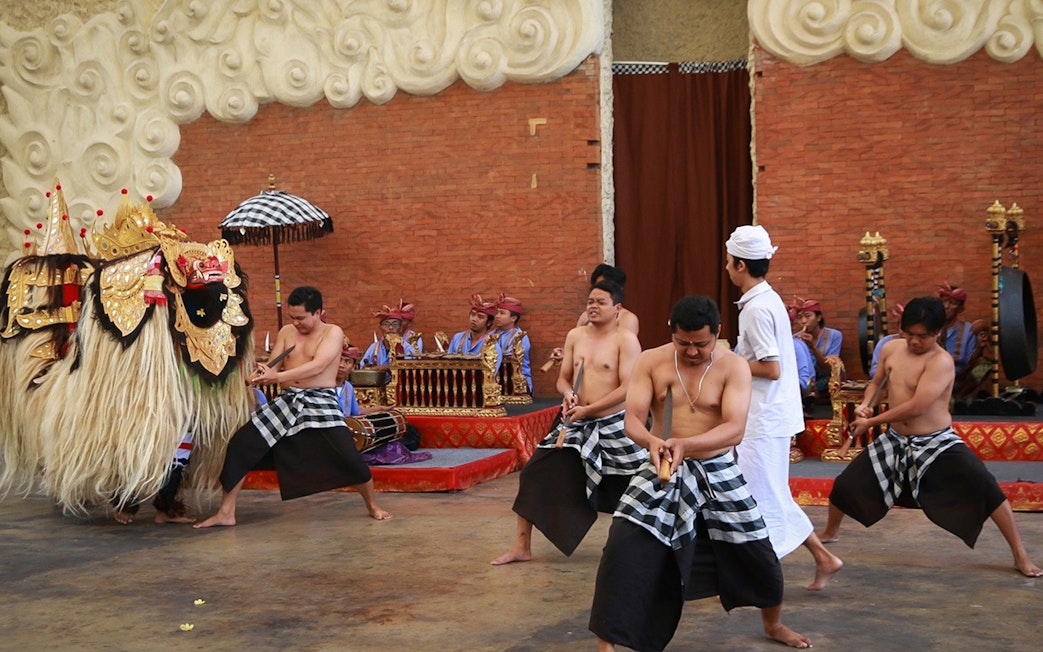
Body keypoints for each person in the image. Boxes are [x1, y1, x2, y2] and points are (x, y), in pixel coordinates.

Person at [589, 295, 811, 651]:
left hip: (715, 467)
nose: (692, 352)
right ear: (671, 333)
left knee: (756, 548)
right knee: (623, 545)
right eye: (683, 343)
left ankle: (774, 624)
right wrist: (650, 441)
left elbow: (735, 428)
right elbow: (632, 418)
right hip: (661, 464)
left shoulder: (734, 366)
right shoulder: (651, 361)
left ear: (718, 333)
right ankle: (607, 642)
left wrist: (688, 446)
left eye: (701, 344)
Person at [816, 297, 1041, 577]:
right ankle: (831, 531)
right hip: (897, 438)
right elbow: (877, 381)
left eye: (922, 336)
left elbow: (917, 406)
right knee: (845, 485)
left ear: (938, 333)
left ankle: (1020, 555)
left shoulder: (941, 362)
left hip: (936, 441)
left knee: (987, 488)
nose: (914, 341)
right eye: (908, 334)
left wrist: (871, 421)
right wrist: (867, 404)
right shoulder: (891, 349)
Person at [195, 286, 391, 527]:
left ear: (318, 312)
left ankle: (372, 504)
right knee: (240, 445)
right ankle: (226, 512)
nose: (296, 323)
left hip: (321, 399)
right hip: (289, 399)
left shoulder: (333, 333)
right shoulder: (287, 332)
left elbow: (318, 366)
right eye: (292, 318)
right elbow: (275, 366)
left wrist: (277, 378)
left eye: (301, 318)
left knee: (348, 455)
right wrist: (262, 374)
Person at [491, 280, 645, 565]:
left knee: (636, 485)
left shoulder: (626, 339)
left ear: (617, 308)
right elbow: (563, 378)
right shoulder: (575, 335)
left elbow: (627, 387)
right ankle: (522, 547)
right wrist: (568, 394)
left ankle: (635, 546)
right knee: (534, 472)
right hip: (576, 421)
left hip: (615, 424)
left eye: (601, 302)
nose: (593, 307)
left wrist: (590, 410)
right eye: (590, 302)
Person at [725, 225, 842, 591]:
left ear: (741, 265)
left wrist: (727, 362)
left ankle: (760, 579)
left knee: (759, 496)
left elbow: (770, 367)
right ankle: (824, 558)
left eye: (729, 262)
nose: (726, 268)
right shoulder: (766, 300)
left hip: (763, 416)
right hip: (767, 413)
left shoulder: (757, 308)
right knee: (771, 492)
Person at [791, 296, 842, 397]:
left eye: (807, 316)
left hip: (826, 379)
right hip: (805, 379)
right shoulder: (795, 339)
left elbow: (828, 368)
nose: (804, 321)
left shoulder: (834, 336)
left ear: (818, 317)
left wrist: (813, 347)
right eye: (800, 317)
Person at [360, 300, 422, 370]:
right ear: (380, 328)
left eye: (395, 324)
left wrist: (387, 368)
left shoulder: (407, 349)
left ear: (400, 328)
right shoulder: (374, 348)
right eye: (386, 324)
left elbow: (410, 369)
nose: (390, 327)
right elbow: (362, 366)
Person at [491, 293, 532, 392]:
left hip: (516, 385)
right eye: (497, 313)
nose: (497, 316)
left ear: (513, 318)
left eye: (502, 313)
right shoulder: (491, 334)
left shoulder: (520, 337)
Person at [936, 281, 977, 376]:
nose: (946, 306)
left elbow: (970, 362)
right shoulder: (930, 328)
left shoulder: (969, 330)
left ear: (961, 309)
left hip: (958, 378)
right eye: (943, 302)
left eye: (952, 303)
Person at [336, 342, 364, 417]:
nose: (341, 365)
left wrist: (380, 408)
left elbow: (356, 412)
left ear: (353, 367)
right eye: (339, 360)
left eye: (347, 361)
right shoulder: (322, 386)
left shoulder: (348, 387)